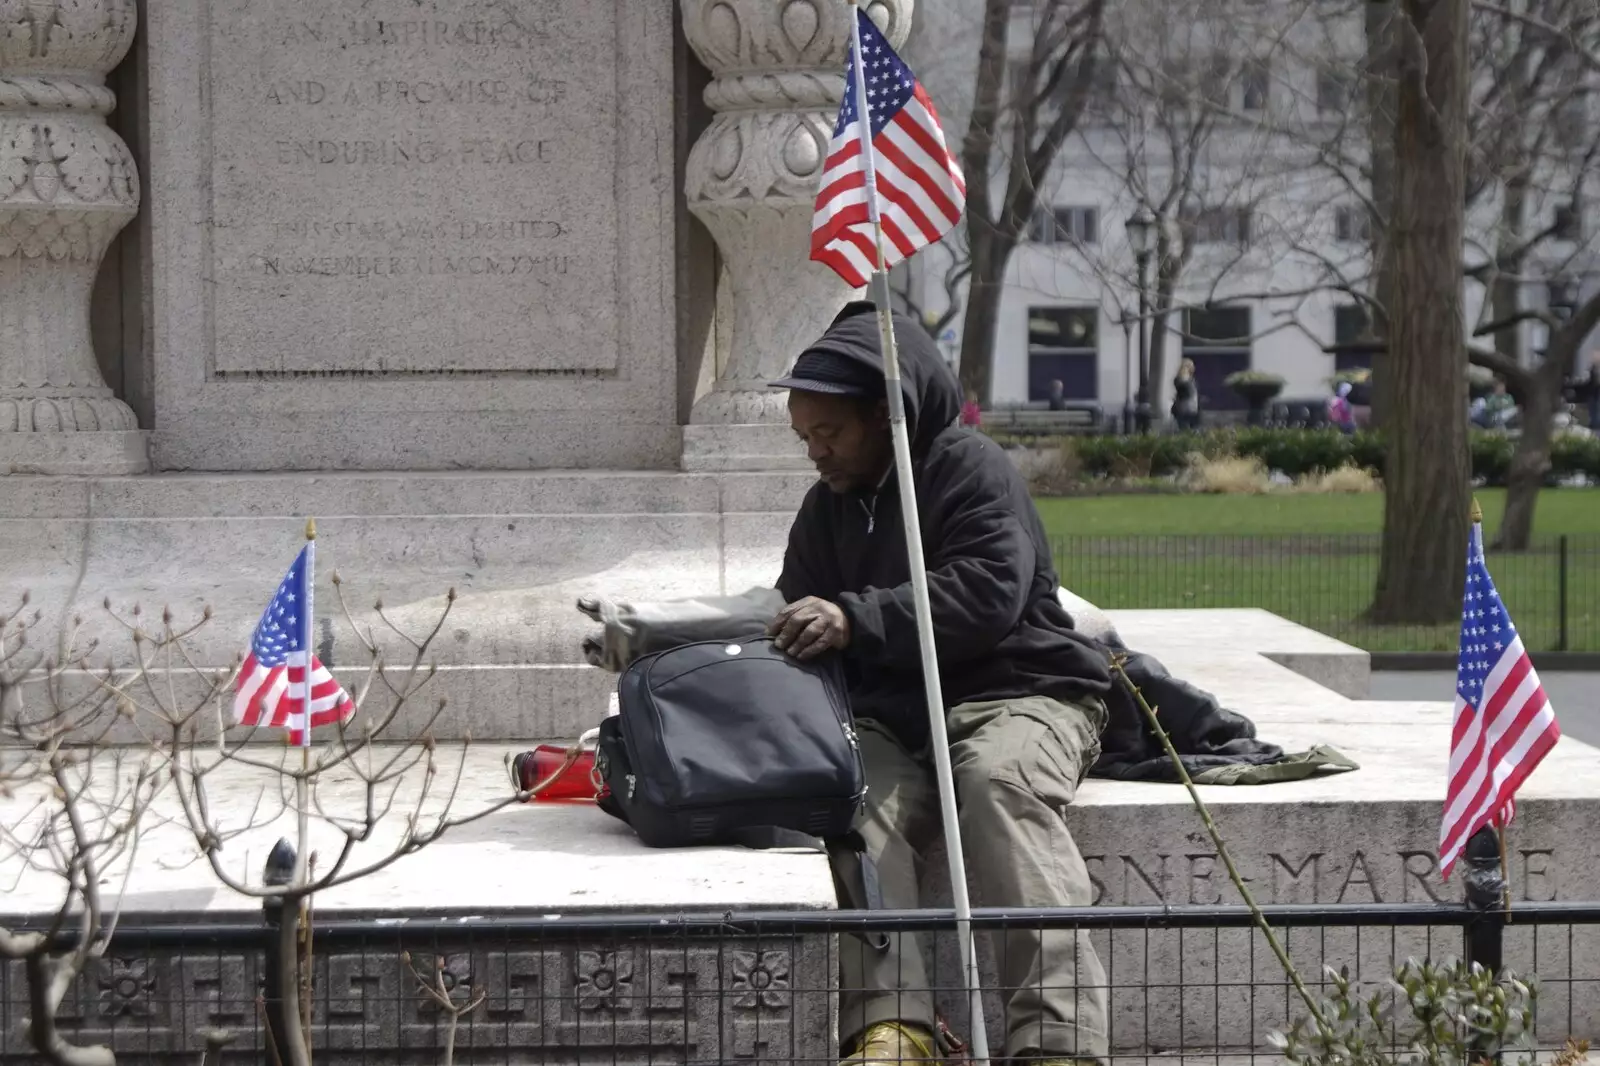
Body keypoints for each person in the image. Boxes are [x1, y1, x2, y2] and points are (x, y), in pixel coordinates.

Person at [766, 301, 1112, 1066]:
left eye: (830, 433)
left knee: (997, 786)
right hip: (897, 713)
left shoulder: (967, 467)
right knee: (859, 808)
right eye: (805, 437)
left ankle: (1058, 1043)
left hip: (1023, 690)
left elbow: (988, 594)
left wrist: (855, 619)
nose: (816, 453)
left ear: (884, 416)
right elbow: (796, 604)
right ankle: (895, 1032)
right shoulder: (824, 509)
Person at [1170, 358, 1200, 431]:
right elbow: (1183, 392)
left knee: (1191, 429)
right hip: (1185, 408)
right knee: (1185, 428)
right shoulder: (1182, 380)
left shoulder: (1191, 380)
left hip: (1192, 408)